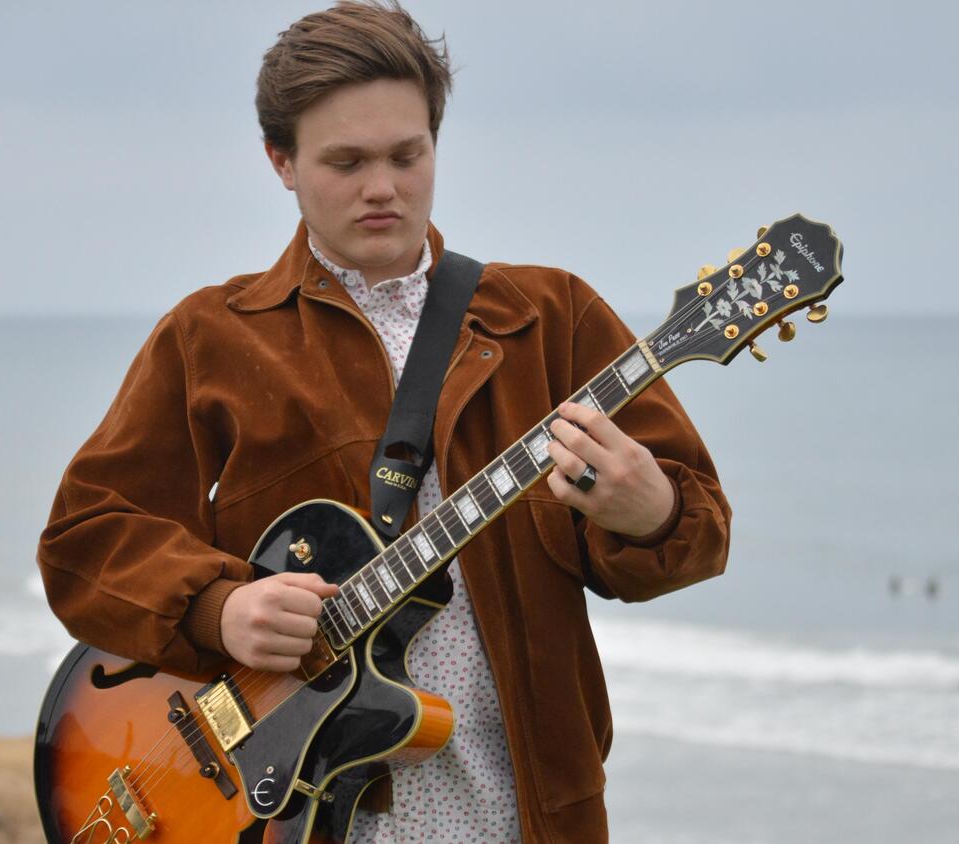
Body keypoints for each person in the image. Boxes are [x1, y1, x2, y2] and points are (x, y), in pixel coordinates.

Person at [37, 2, 732, 841]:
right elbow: (85, 540)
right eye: (346, 161)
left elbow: (698, 536)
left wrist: (652, 513)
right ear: (280, 160)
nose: (382, 187)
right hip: (291, 817)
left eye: (408, 155)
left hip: (525, 816)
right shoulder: (211, 338)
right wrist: (220, 609)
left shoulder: (553, 319)